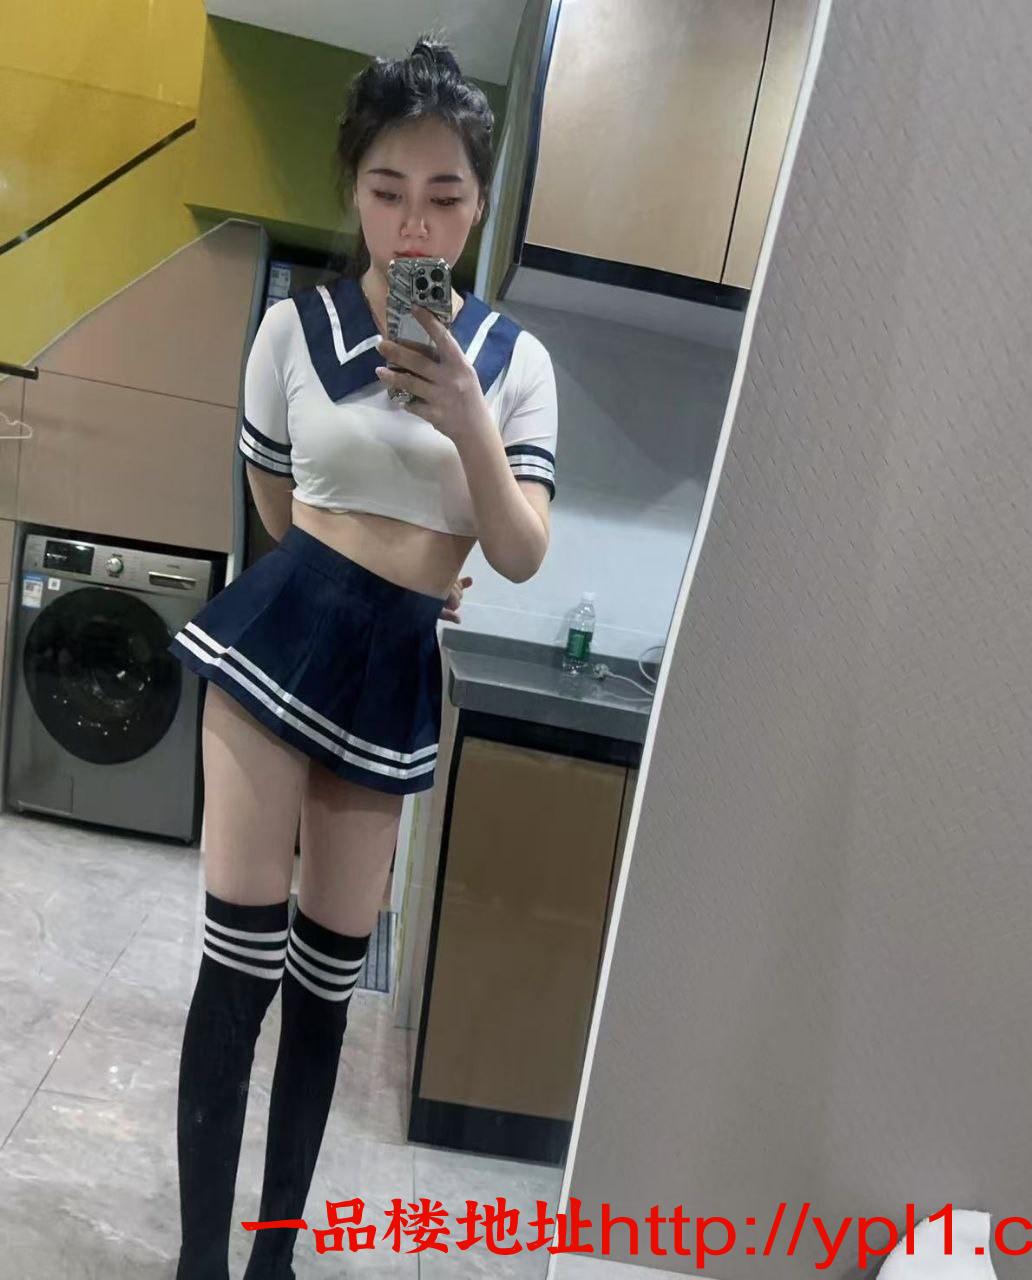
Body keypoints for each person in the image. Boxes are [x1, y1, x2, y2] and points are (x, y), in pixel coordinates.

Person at [168, 36, 557, 1279]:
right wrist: (346, 569)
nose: (414, 223)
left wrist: (468, 419)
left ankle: (272, 1259)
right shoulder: (293, 327)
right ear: (354, 191)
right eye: (388, 190)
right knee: (239, 960)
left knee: (327, 979)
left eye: (445, 193)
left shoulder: (517, 364)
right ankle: (199, 1262)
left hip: (394, 668)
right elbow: (275, 499)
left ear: (480, 203)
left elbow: (520, 549)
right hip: (286, 631)